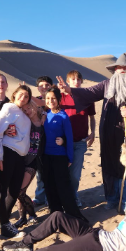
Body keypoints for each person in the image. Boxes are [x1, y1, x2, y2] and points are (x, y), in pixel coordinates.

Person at [57, 47, 126, 213]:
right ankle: (112, 198)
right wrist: (69, 90)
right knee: (111, 163)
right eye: (119, 68)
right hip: (108, 129)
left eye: (125, 68)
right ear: (114, 70)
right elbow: (90, 92)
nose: (122, 70)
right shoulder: (107, 85)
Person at [42, 86, 88, 222]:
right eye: (48, 98)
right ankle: (56, 214)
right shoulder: (44, 115)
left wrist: (70, 157)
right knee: (50, 186)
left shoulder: (63, 116)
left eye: (53, 98)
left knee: (64, 187)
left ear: (58, 100)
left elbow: (69, 136)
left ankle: (74, 215)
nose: (50, 101)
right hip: (46, 156)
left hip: (60, 157)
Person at [0, 85, 32, 238]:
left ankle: (3, 219)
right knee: (2, 191)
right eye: (21, 94)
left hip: (20, 156)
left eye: (27, 96)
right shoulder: (9, 108)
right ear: (14, 95)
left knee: (14, 191)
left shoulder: (23, 112)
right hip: (8, 153)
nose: (23, 98)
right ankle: (5, 225)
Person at [60, 70, 96, 207]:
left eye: (78, 79)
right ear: (68, 81)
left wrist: (93, 132)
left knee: (75, 174)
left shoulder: (87, 97)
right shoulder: (61, 97)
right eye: (73, 79)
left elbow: (92, 117)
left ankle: (73, 196)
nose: (76, 81)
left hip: (81, 142)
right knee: (63, 172)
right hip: (63, 142)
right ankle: (64, 197)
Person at [13, 100, 46, 228]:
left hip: (34, 161)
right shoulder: (25, 122)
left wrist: (43, 114)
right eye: (25, 109)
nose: (27, 111)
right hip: (21, 159)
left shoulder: (44, 121)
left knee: (20, 191)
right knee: (19, 191)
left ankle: (32, 215)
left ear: (35, 107)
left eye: (29, 108)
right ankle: (23, 217)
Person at [32, 76, 53, 206]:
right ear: (38, 88)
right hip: (37, 141)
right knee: (40, 172)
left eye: (47, 85)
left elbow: (46, 104)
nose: (44, 87)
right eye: (42, 85)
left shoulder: (56, 100)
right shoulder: (34, 101)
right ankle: (40, 198)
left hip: (53, 140)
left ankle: (52, 197)